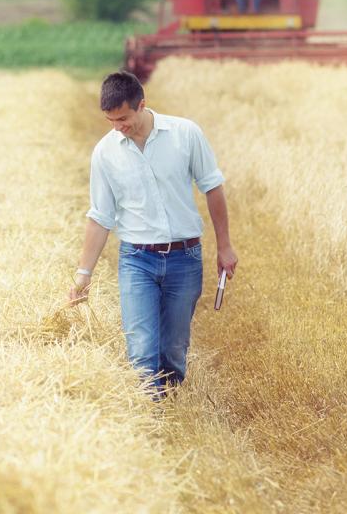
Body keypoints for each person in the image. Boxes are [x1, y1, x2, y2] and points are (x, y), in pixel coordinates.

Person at [69, 71, 238, 394]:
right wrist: (83, 274)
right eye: (110, 120)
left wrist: (224, 247)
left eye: (123, 118)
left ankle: (170, 405)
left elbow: (212, 187)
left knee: (173, 350)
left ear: (142, 105)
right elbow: (100, 217)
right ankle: (151, 416)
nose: (118, 126)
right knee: (142, 351)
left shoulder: (185, 134)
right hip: (137, 261)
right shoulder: (105, 153)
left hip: (184, 259)